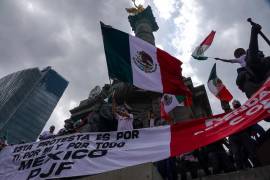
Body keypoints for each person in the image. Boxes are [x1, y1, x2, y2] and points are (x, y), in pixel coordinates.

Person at [236, 23, 270, 98]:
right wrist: (254, 33)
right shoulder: (242, 74)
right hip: (259, 95)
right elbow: (253, 60)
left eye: (260, 53)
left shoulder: (266, 60)